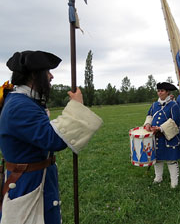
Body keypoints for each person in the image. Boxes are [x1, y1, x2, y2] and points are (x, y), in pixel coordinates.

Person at [0, 50, 103, 224]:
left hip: (33, 180)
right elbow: (52, 139)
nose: (51, 76)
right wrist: (76, 107)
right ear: (34, 75)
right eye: (47, 71)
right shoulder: (20, 106)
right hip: (26, 184)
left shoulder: (24, 101)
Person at [144, 82, 180, 188]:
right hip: (156, 137)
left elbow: (175, 121)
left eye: (162, 91)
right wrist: (148, 124)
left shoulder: (173, 105)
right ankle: (158, 178)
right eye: (158, 91)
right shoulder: (154, 105)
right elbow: (149, 115)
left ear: (167, 92)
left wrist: (160, 128)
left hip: (169, 137)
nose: (160, 93)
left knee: (171, 160)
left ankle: (174, 182)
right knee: (157, 159)